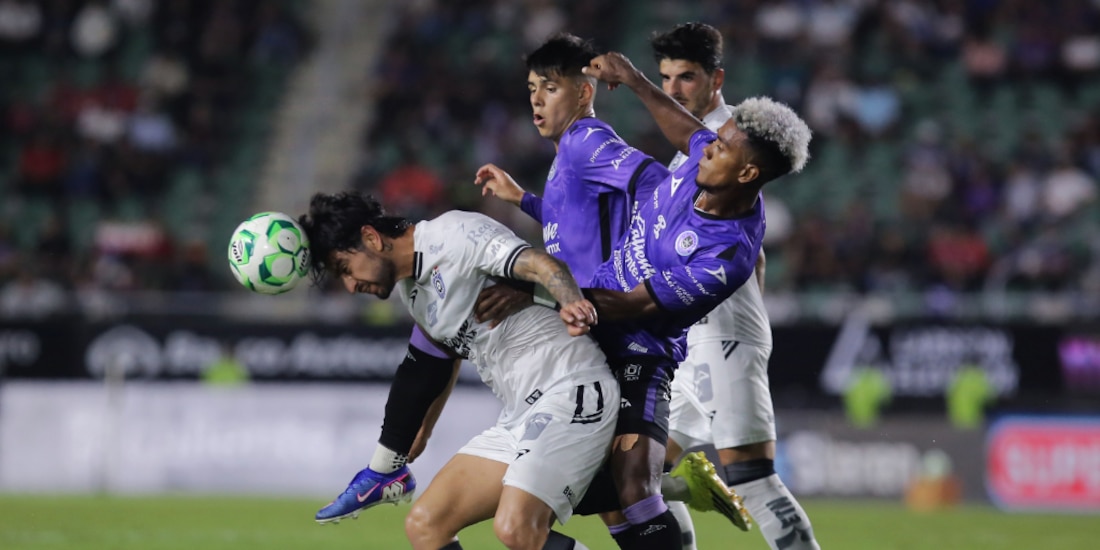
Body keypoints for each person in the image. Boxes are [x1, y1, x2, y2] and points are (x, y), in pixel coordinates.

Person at [476, 40, 811, 550]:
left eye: (719, 149)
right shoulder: (711, 164)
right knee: (606, 486)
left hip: (644, 345)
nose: (704, 148)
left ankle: (674, 487)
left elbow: (635, 305)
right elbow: (684, 133)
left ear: (746, 174)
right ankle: (678, 486)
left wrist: (539, 292)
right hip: (599, 322)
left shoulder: (723, 255)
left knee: (640, 488)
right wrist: (633, 79)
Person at [300, 191, 618, 550]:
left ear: (371, 238)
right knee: (426, 525)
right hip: (519, 416)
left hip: (570, 389)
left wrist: (570, 301)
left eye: (345, 268)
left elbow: (541, 264)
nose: (350, 285)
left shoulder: (454, 234)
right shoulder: (413, 292)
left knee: (517, 528)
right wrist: (419, 434)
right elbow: (432, 362)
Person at [650, 23, 822, 550]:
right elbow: (756, 251)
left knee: (755, 478)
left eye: (686, 77)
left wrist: (742, 329)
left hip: (722, 339)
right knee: (641, 478)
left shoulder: (731, 136)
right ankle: (700, 490)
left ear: (716, 79)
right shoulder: (694, 154)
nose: (673, 90)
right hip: (695, 341)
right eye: (664, 80)